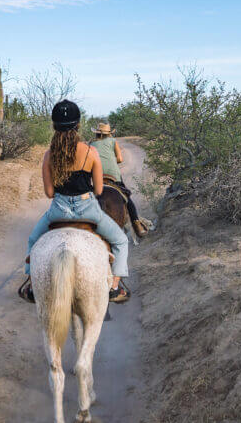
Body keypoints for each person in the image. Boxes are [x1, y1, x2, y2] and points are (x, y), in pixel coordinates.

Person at [20, 100, 131, 304]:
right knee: (121, 241)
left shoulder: (48, 155)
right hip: (88, 209)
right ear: (78, 125)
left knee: (33, 241)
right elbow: (98, 190)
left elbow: (49, 193)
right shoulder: (90, 152)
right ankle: (114, 287)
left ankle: (32, 285)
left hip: (58, 211)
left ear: (54, 126)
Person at [89, 122, 149, 238]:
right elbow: (120, 159)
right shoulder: (113, 141)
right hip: (113, 174)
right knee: (126, 197)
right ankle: (137, 225)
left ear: (96, 133)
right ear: (109, 133)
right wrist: (111, 162)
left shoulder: (91, 144)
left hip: (96, 175)